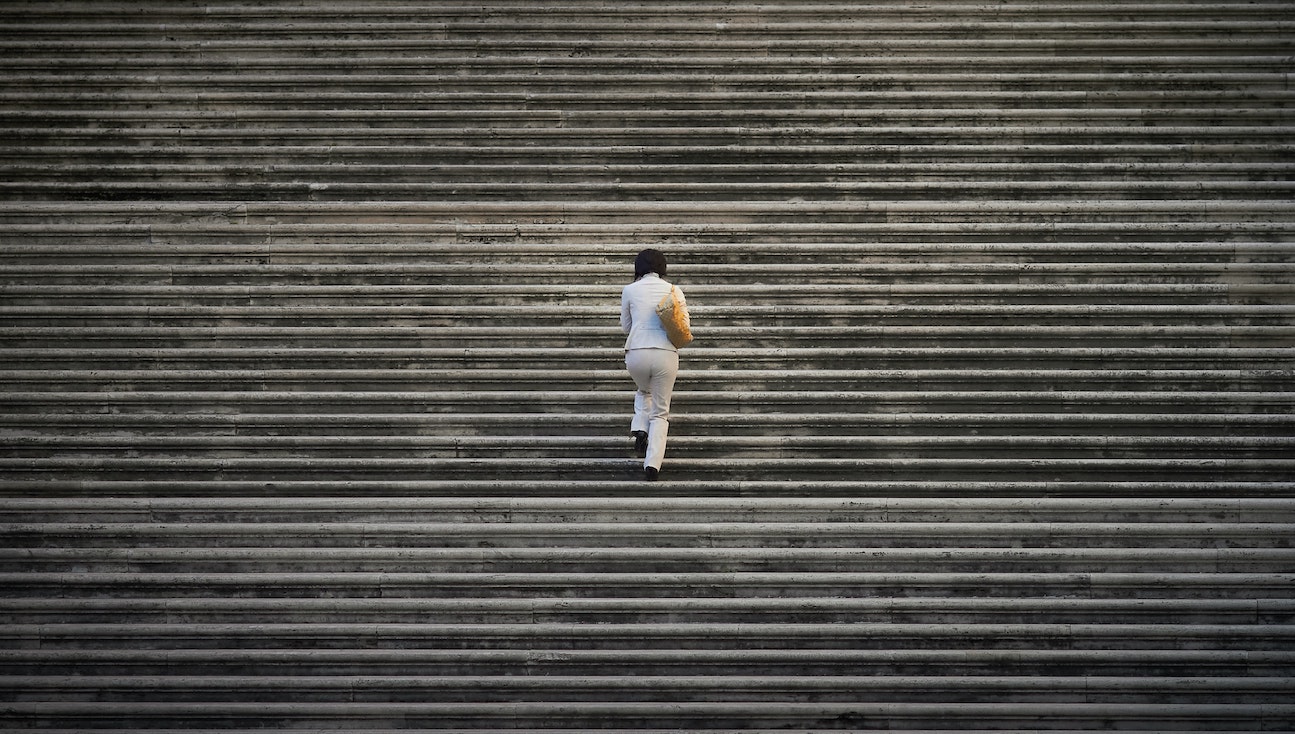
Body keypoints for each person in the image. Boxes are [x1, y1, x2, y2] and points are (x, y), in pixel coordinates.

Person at [620, 249, 689, 481]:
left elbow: (625, 326)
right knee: (660, 412)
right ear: (663, 267)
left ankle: (640, 425)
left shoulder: (629, 290)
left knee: (643, 389)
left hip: (637, 352)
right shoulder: (674, 290)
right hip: (665, 353)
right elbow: (684, 325)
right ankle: (652, 464)